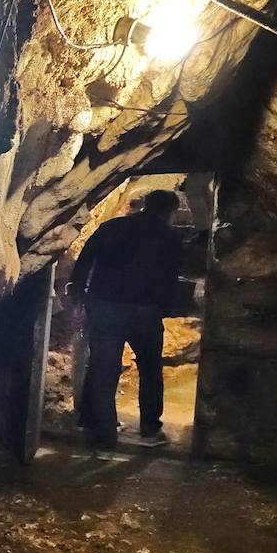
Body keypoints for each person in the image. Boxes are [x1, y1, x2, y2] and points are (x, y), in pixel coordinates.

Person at [65, 189, 183, 451]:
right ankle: (150, 428)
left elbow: (84, 262)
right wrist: (163, 307)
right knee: (150, 369)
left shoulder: (112, 227)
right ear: (170, 211)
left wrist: (78, 295)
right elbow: (171, 279)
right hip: (145, 310)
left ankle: (104, 435)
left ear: (145, 205)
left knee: (103, 369)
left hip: (105, 305)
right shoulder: (171, 237)